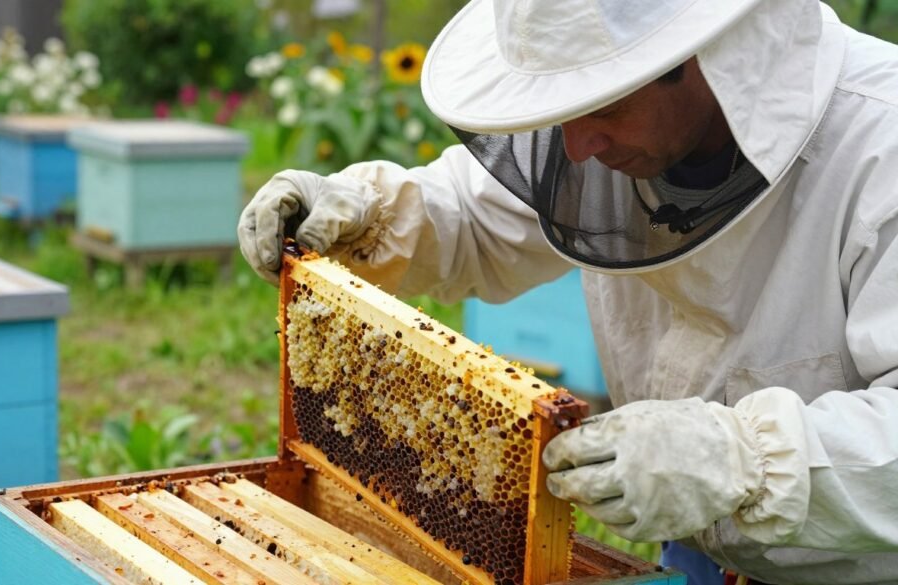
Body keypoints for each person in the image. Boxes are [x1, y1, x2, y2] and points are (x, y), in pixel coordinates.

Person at [237, 0, 898, 583]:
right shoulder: (615, 136)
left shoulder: (880, 147)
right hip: (700, 555)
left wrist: (740, 458)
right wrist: (368, 212)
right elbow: (477, 212)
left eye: (604, 105)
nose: (577, 147)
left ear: (702, 56)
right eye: (563, 112)